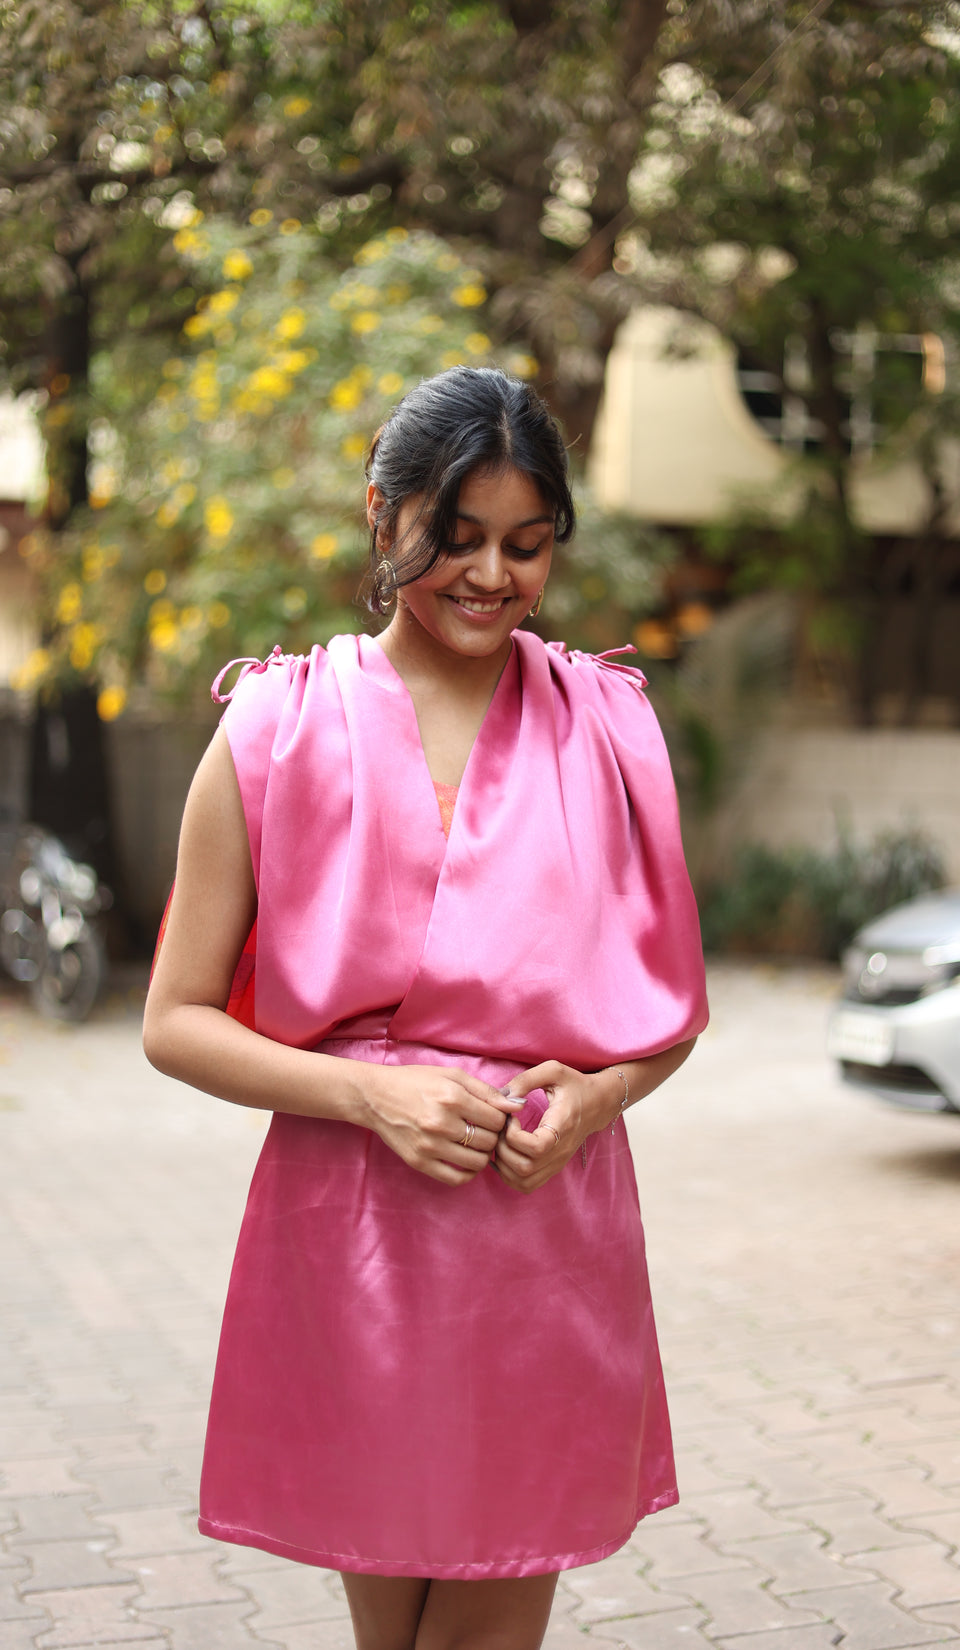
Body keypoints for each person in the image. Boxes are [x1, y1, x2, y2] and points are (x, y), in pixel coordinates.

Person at [143, 364, 708, 1650]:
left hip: (541, 1232)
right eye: (454, 537)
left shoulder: (607, 723)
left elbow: (670, 1011)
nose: (490, 576)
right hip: (352, 1236)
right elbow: (174, 1019)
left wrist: (598, 1098)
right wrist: (370, 1093)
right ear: (380, 514)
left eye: (526, 543)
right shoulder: (274, 727)